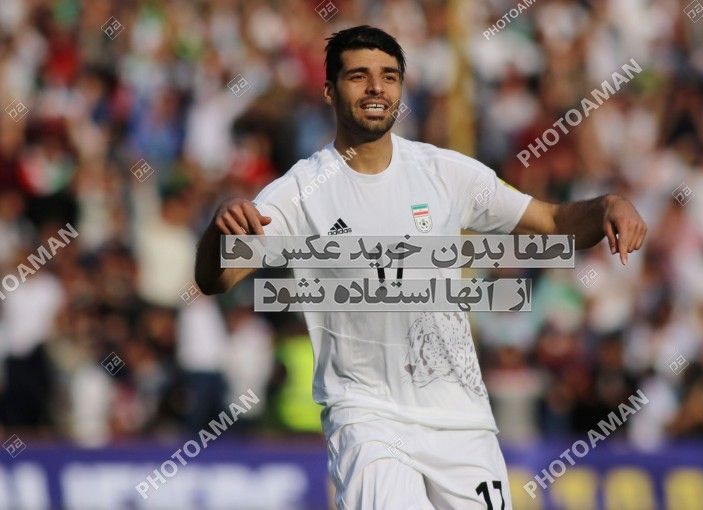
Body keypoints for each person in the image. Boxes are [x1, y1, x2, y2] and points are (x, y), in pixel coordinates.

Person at [195, 25, 646, 510]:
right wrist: (220, 232)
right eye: (359, 76)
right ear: (329, 90)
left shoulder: (445, 172)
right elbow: (217, 279)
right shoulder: (301, 190)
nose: (376, 88)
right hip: (367, 417)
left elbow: (553, 223)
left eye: (389, 77)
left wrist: (608, 206)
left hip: (461, 421)